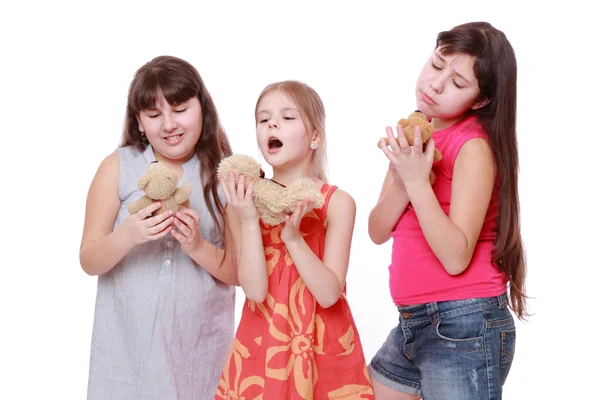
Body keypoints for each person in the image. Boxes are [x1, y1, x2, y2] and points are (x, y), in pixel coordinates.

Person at [367, 22, 527, 400]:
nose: (435, 84)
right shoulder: (418, 137)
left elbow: (456, 257)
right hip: (413, 321)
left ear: (480, 100)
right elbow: (377, 230)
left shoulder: (472, 146)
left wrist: (419, 182)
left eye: (457, 83)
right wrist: (405, 177)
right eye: (437, 65)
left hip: (464, 323)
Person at [80, 55, 237, 400]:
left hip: (201, 357)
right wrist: (128, 235)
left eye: (180, 109)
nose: (169, 125)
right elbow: (89, 259)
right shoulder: (118, 167)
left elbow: (239, 272)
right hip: (125, 360)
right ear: (139, 122)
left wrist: (196, 246)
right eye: (154, 115)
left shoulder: (226, 175)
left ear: (202, 109)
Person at [215, 81, 374, 399]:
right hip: (263, 347)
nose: (272, 123)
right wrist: (248, 220)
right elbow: (256, 291)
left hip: (321, 347)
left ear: (315, 137)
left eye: (288, 117)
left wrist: (294, 239)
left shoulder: (337, 203)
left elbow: (329, 294)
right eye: (264, 119)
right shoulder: (242, 202)